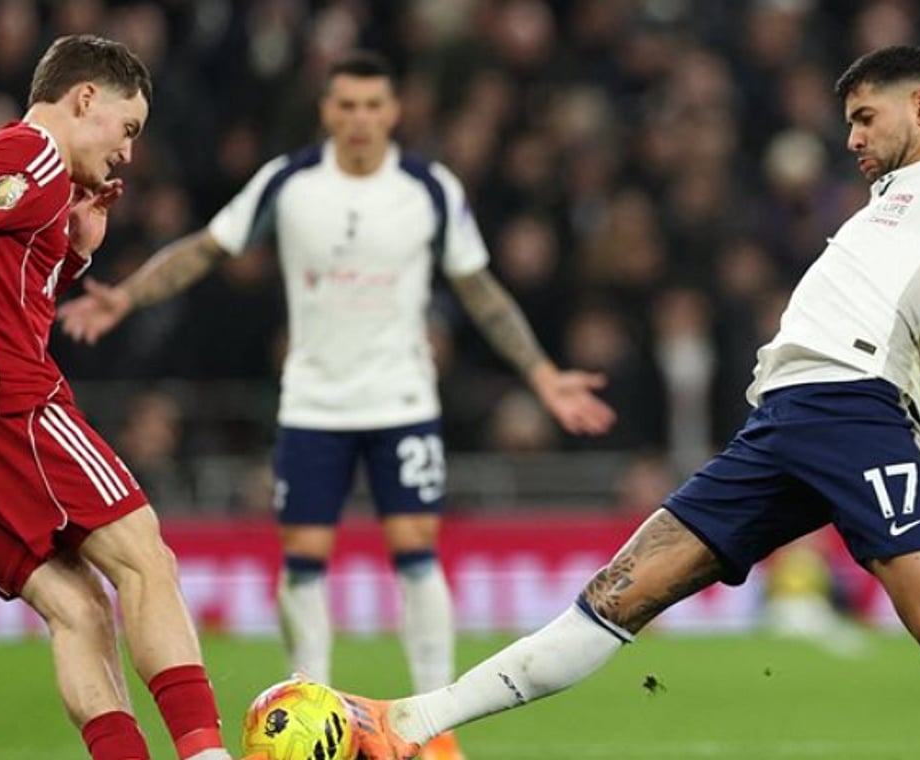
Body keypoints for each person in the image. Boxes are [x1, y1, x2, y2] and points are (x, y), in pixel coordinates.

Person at [333, 45, 920, 760]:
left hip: (855, 409)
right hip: (778, 425)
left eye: (866, 118)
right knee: (615, 595)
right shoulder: (891, 201)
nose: (852, 139)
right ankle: (407, 724)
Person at [57, 51, 616, 760]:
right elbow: (207, 249)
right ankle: (311, 706)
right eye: (346, 105)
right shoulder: (289, 182)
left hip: (402, 399)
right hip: (314, 405)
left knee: (417, 555)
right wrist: (128, 297)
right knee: (304, 562)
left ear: (393, 112)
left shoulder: (428, 188)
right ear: (327, 111)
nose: (359, 119)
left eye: (372, 106)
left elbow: (479, 289)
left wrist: (541, 374)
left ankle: (435, 729)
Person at [0, 36, 239, 760]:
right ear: (85, 99)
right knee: (145, 559)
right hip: (0, 398)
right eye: (128, 127)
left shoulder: (18, 172)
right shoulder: (34, 154)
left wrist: (73, 248)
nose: (128, 152)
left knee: (79, 609)